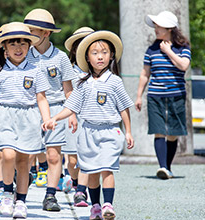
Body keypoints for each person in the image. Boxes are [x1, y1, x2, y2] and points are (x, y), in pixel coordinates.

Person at [43, 30, 134, 220]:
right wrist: (55, 118)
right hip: (88, 132)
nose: (100, 57)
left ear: (111, 56)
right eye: (95, 53)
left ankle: (108, 204)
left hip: (110, 130)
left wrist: (128, 132)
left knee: (107, 169)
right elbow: (71, 107)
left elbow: (124, 107)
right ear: (87, 57)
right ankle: (96, 207)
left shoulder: (115, 82)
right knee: (92, 172)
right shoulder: (83, 83)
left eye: (104, 52)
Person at [0, 22, 50, 218]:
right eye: (13, 44)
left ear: (29, 46)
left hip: (29, 117)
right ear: (5, 49)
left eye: (22, 44)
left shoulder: (36, 70)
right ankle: (6, 193)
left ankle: (21, 201)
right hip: (5, 116)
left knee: (24, 161)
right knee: (7, 155)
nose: (18, 48)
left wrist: (46, 119)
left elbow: (42, 97)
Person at [23, 8, 77, 212]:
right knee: (27, 156)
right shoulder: (23, 55)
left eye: (33, 31)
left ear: (46, 33)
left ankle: (51, 195)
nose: (29, 35)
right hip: (30, 109)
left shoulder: (61, 58)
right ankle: (21, 190)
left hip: (56, 110)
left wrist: (71, 114)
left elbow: (68, 90)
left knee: (54, 155)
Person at [135, 11, 191, 180]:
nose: (156, 29)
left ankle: (167, 167)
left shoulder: (183, 47)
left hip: (176, 95)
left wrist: (168, 51)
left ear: (169, 28)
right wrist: (138, 96)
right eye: (156, 26)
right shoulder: (151, 50)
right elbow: (145, 74)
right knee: (158, 131)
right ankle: (162, 167)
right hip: (155, 96)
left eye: (159, 26)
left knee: (173, 133)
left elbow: (183, 66)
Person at [63, 26, 94, 206]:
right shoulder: (69, 69)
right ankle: (75, 182)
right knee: (72, 159)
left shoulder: (99, 70)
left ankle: (81, 192)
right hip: (72, 116)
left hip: (92, 118)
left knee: (86, 156)